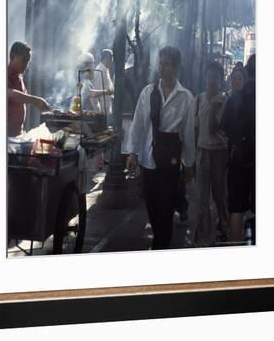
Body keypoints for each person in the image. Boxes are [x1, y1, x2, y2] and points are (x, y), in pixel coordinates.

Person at [127, 46, 195, 250]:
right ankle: (161, 241)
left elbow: (188, 134)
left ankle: (160, 247)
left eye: (166, 64)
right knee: (152, 206)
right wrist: (133, 152)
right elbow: (138, 124)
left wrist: (189, 165)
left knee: (166, 208)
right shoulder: (148, 93)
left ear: (175, 68)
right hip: (148, 159)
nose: (161, 67)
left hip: (170, 162)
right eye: (160, 63)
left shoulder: (186, 98)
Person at [221, 54, 256, 242]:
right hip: (261, 162)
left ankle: (235, 253)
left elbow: (224, 125)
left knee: (237, 210)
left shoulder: (236, 98)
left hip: (238, 160)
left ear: (248, 73)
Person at [194, 61, 229, 246]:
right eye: (208, 76)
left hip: (219, 154)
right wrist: (192, 155)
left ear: (220, 79)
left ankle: (223, 228)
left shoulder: (224, 101)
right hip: (202, 153)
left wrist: (215, 107)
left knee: (219, 196)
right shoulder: (198, 99)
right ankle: (203, 236)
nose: (211, 80)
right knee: (201, 198)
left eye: (215, 76)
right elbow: (195, 127)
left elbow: (215, 127)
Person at [7, 41, 51, 137]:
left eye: (27, 61)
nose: (26, 65)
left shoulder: (19, 77)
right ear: (13, 56)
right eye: (23, 60)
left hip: (18, 135)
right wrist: (36, 100)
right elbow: (9, 94)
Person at [94, 49, 114, 117]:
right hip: (102, 111)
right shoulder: (100, 71)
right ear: (107, 58)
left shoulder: (105, 70)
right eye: (112, 59)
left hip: (107, 109)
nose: (112, 61)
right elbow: (97, 91)